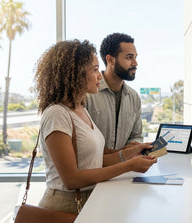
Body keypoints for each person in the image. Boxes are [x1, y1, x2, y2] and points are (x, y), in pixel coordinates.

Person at [34, 39, 157, 214]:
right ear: (75, 74)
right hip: (65, 205)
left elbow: (93, 153)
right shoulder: (57, 114)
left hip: (89, 200)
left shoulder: (79, 109)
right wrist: (129, 165)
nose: (99, 75)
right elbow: (71, 179)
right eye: (93, 70)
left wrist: (127, 153)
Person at [86, 33, 144, 152]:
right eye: (129, 57)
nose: (135, 63)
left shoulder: (134, 97)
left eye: (135, 57)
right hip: (92, 169)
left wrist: (133, 148)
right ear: (110, 60)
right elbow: (82, 144)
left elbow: (136, 136)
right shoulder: (87, 95)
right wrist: (122, 155)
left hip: (126, 169)